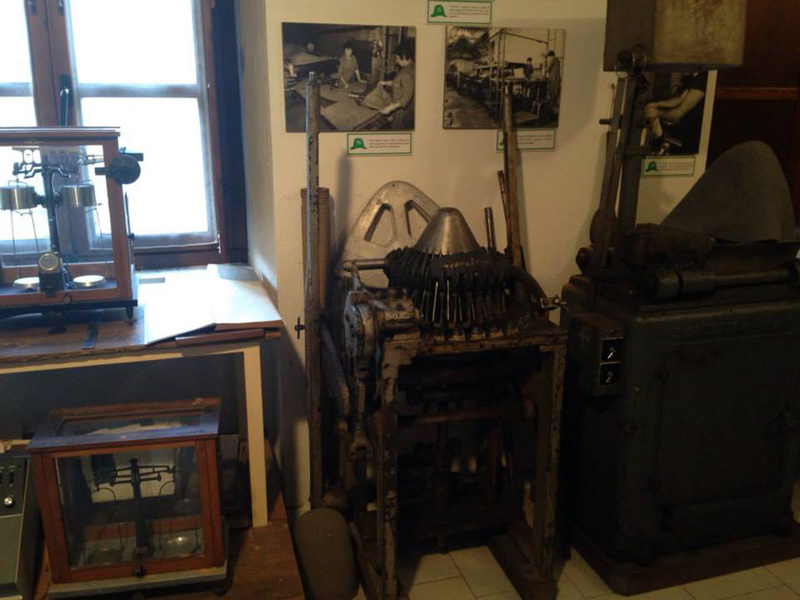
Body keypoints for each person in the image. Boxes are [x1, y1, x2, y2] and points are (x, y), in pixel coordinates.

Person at [644, 71, 708, 155]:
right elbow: (679, 99)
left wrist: (657, 112)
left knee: (656, 123)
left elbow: (678, 114)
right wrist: (656, 104)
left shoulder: (702, 79)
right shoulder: (694, 78)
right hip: (680, 126)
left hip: (690, 135)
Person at [378, 40, 415, 129]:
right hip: (407, 109)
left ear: (404, 57)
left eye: (398, 58)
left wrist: (390, 108)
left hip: (402, 112)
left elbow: (406, 98)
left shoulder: (406, 74)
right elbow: (400, 83)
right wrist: (385, 82)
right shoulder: (412, 66)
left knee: (396, 128)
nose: (396, 61)